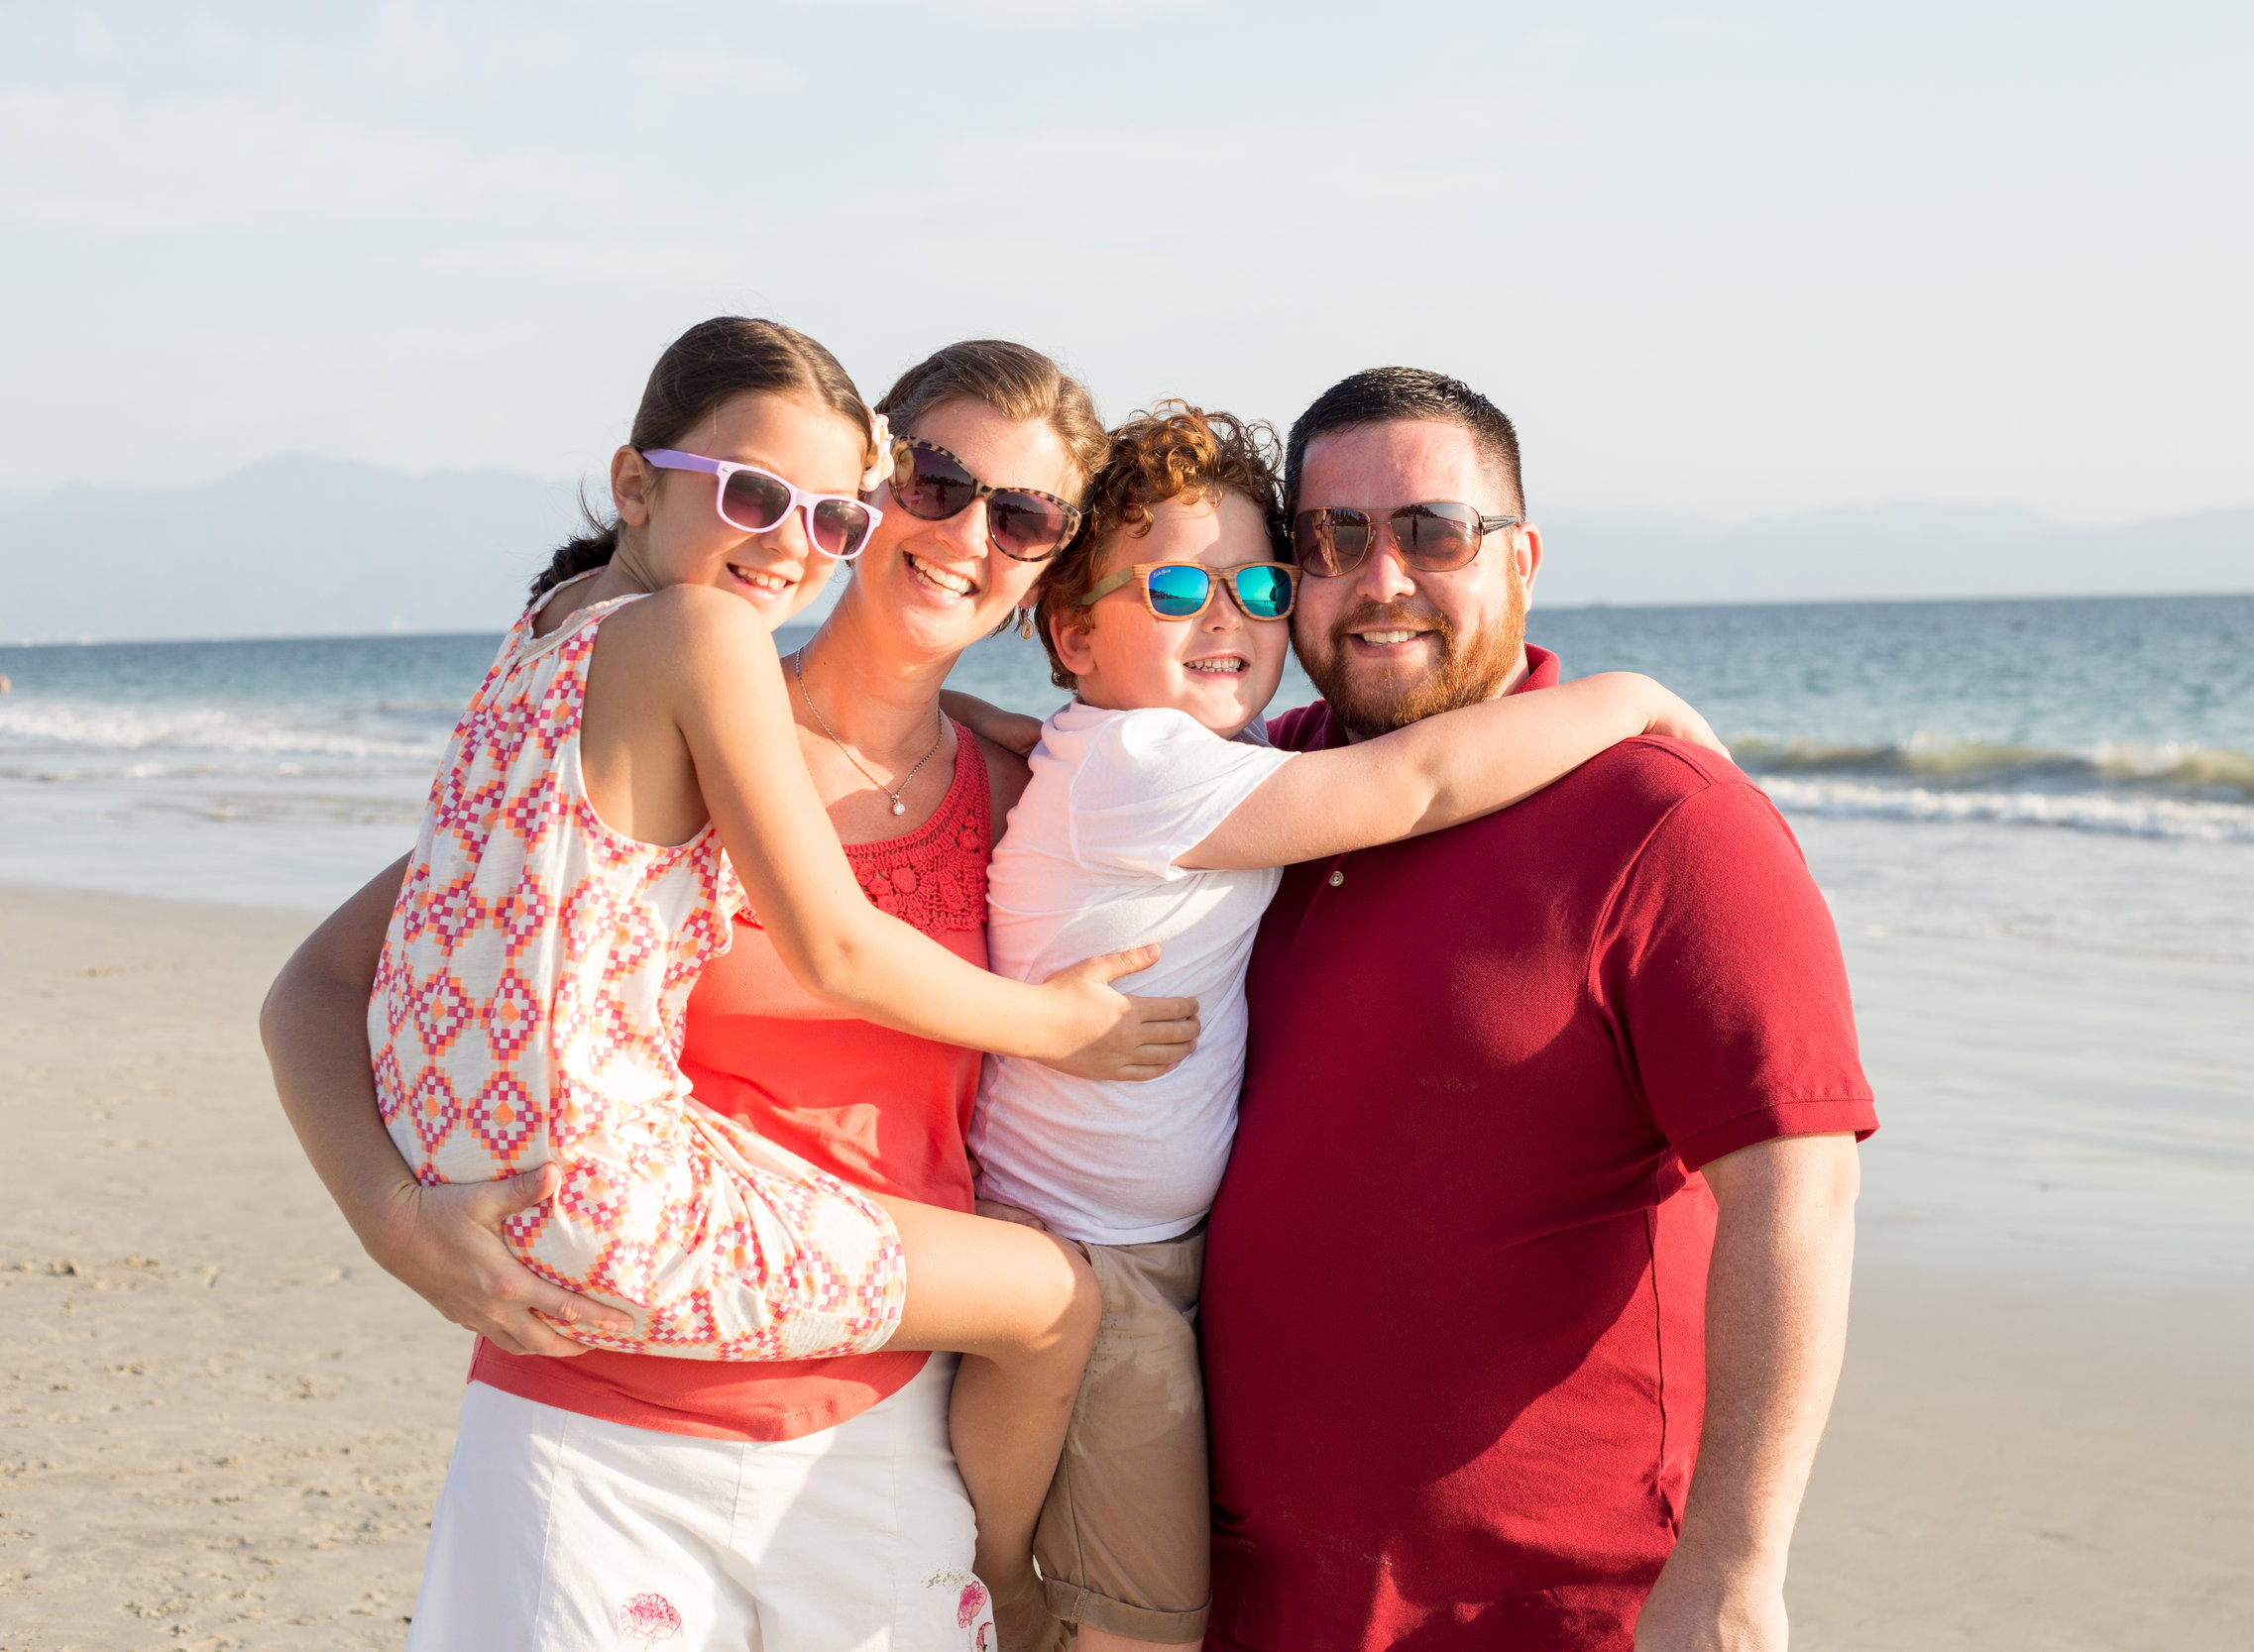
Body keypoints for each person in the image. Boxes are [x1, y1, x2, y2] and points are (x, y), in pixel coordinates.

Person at [263, 335, 1174, 1648]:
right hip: (588, 1429)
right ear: (872, 485)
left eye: (1024, 515)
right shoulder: (666, 727)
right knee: (1049, 1295)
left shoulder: (1035, 793)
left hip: (878, 1437)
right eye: (932, 482)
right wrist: (389, 1212)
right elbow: (320, 981)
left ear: (1045, 566)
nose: (970, 530)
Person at [952, 403, 1723, 1652]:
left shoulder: (1139, 751)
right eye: (1177, 585)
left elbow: (1059, 742)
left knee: (1073, 1587)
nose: (1232, 617)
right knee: (1144, 1623)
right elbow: (1409, 783)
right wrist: (1620, 698)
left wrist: (985, 716)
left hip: (1122, 1247)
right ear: (1074, 631)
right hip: (1097, 1259)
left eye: (1259, 581)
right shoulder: (1150, 765)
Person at [1199, 369, 1878, 1652]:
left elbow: (1798, 1187)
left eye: (1434, 533)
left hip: (1557, 1609)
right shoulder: (1251, 795)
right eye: (1332, 540)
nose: (1382, 578)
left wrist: (1737, 1566)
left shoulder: (1667, 820)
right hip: (1250, 1607)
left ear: (1523, 559)